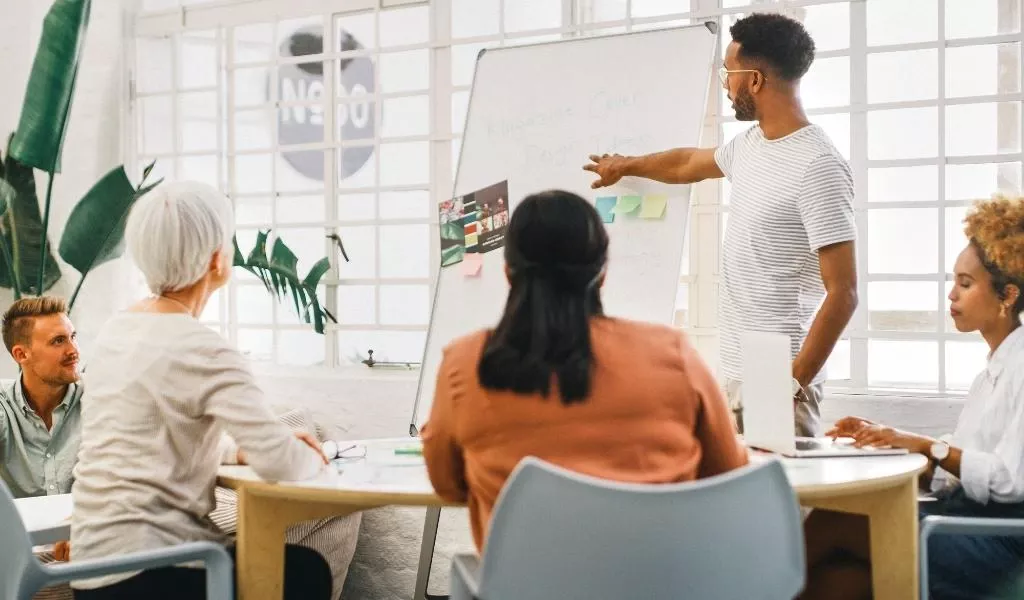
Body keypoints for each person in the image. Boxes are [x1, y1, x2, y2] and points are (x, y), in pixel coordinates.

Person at [421, 189, 748, 552]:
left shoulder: (465, 363)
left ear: (509, 273)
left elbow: (447, 484)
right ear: (602, 273)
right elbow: (727, 474)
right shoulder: (673, 353)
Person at [583, 12, 858, 437]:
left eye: (729, 74)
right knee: (741, 500)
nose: (726, 85)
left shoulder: (818, 165)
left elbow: (844, 294)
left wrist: (790, 381)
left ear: (755, 80)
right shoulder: (749, 146)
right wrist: (626, 165)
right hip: (734, 368)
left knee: (784, 503)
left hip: (778, 375)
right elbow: (687, 163)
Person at [69, 181, 332, 600]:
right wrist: (315, 459)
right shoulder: (206, 348)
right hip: (157, 576)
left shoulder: (114, 333)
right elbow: (283, 465)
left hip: (93, 576)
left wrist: (238, 451)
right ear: (217, 260)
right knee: (303, 571)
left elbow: (159, 435)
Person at [802, 195, 1024, 600]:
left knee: (838, 521)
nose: (951, 295)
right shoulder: (992, 370)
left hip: (997, 541)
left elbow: (1011, 482)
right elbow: (963, 472)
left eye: (966, 283)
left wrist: (927, 446)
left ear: (1007, 296)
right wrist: (891, 440)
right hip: (965, 520)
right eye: (953, 280)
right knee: (836, 582)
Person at [0, 297, 81, 600]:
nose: (73, 350)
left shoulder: (99, 400)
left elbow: (126, 474)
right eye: (58, 341)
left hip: (87, 541)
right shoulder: (3, 407)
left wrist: (84, 518)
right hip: (21, 551)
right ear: (21, 354)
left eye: (73, 337)